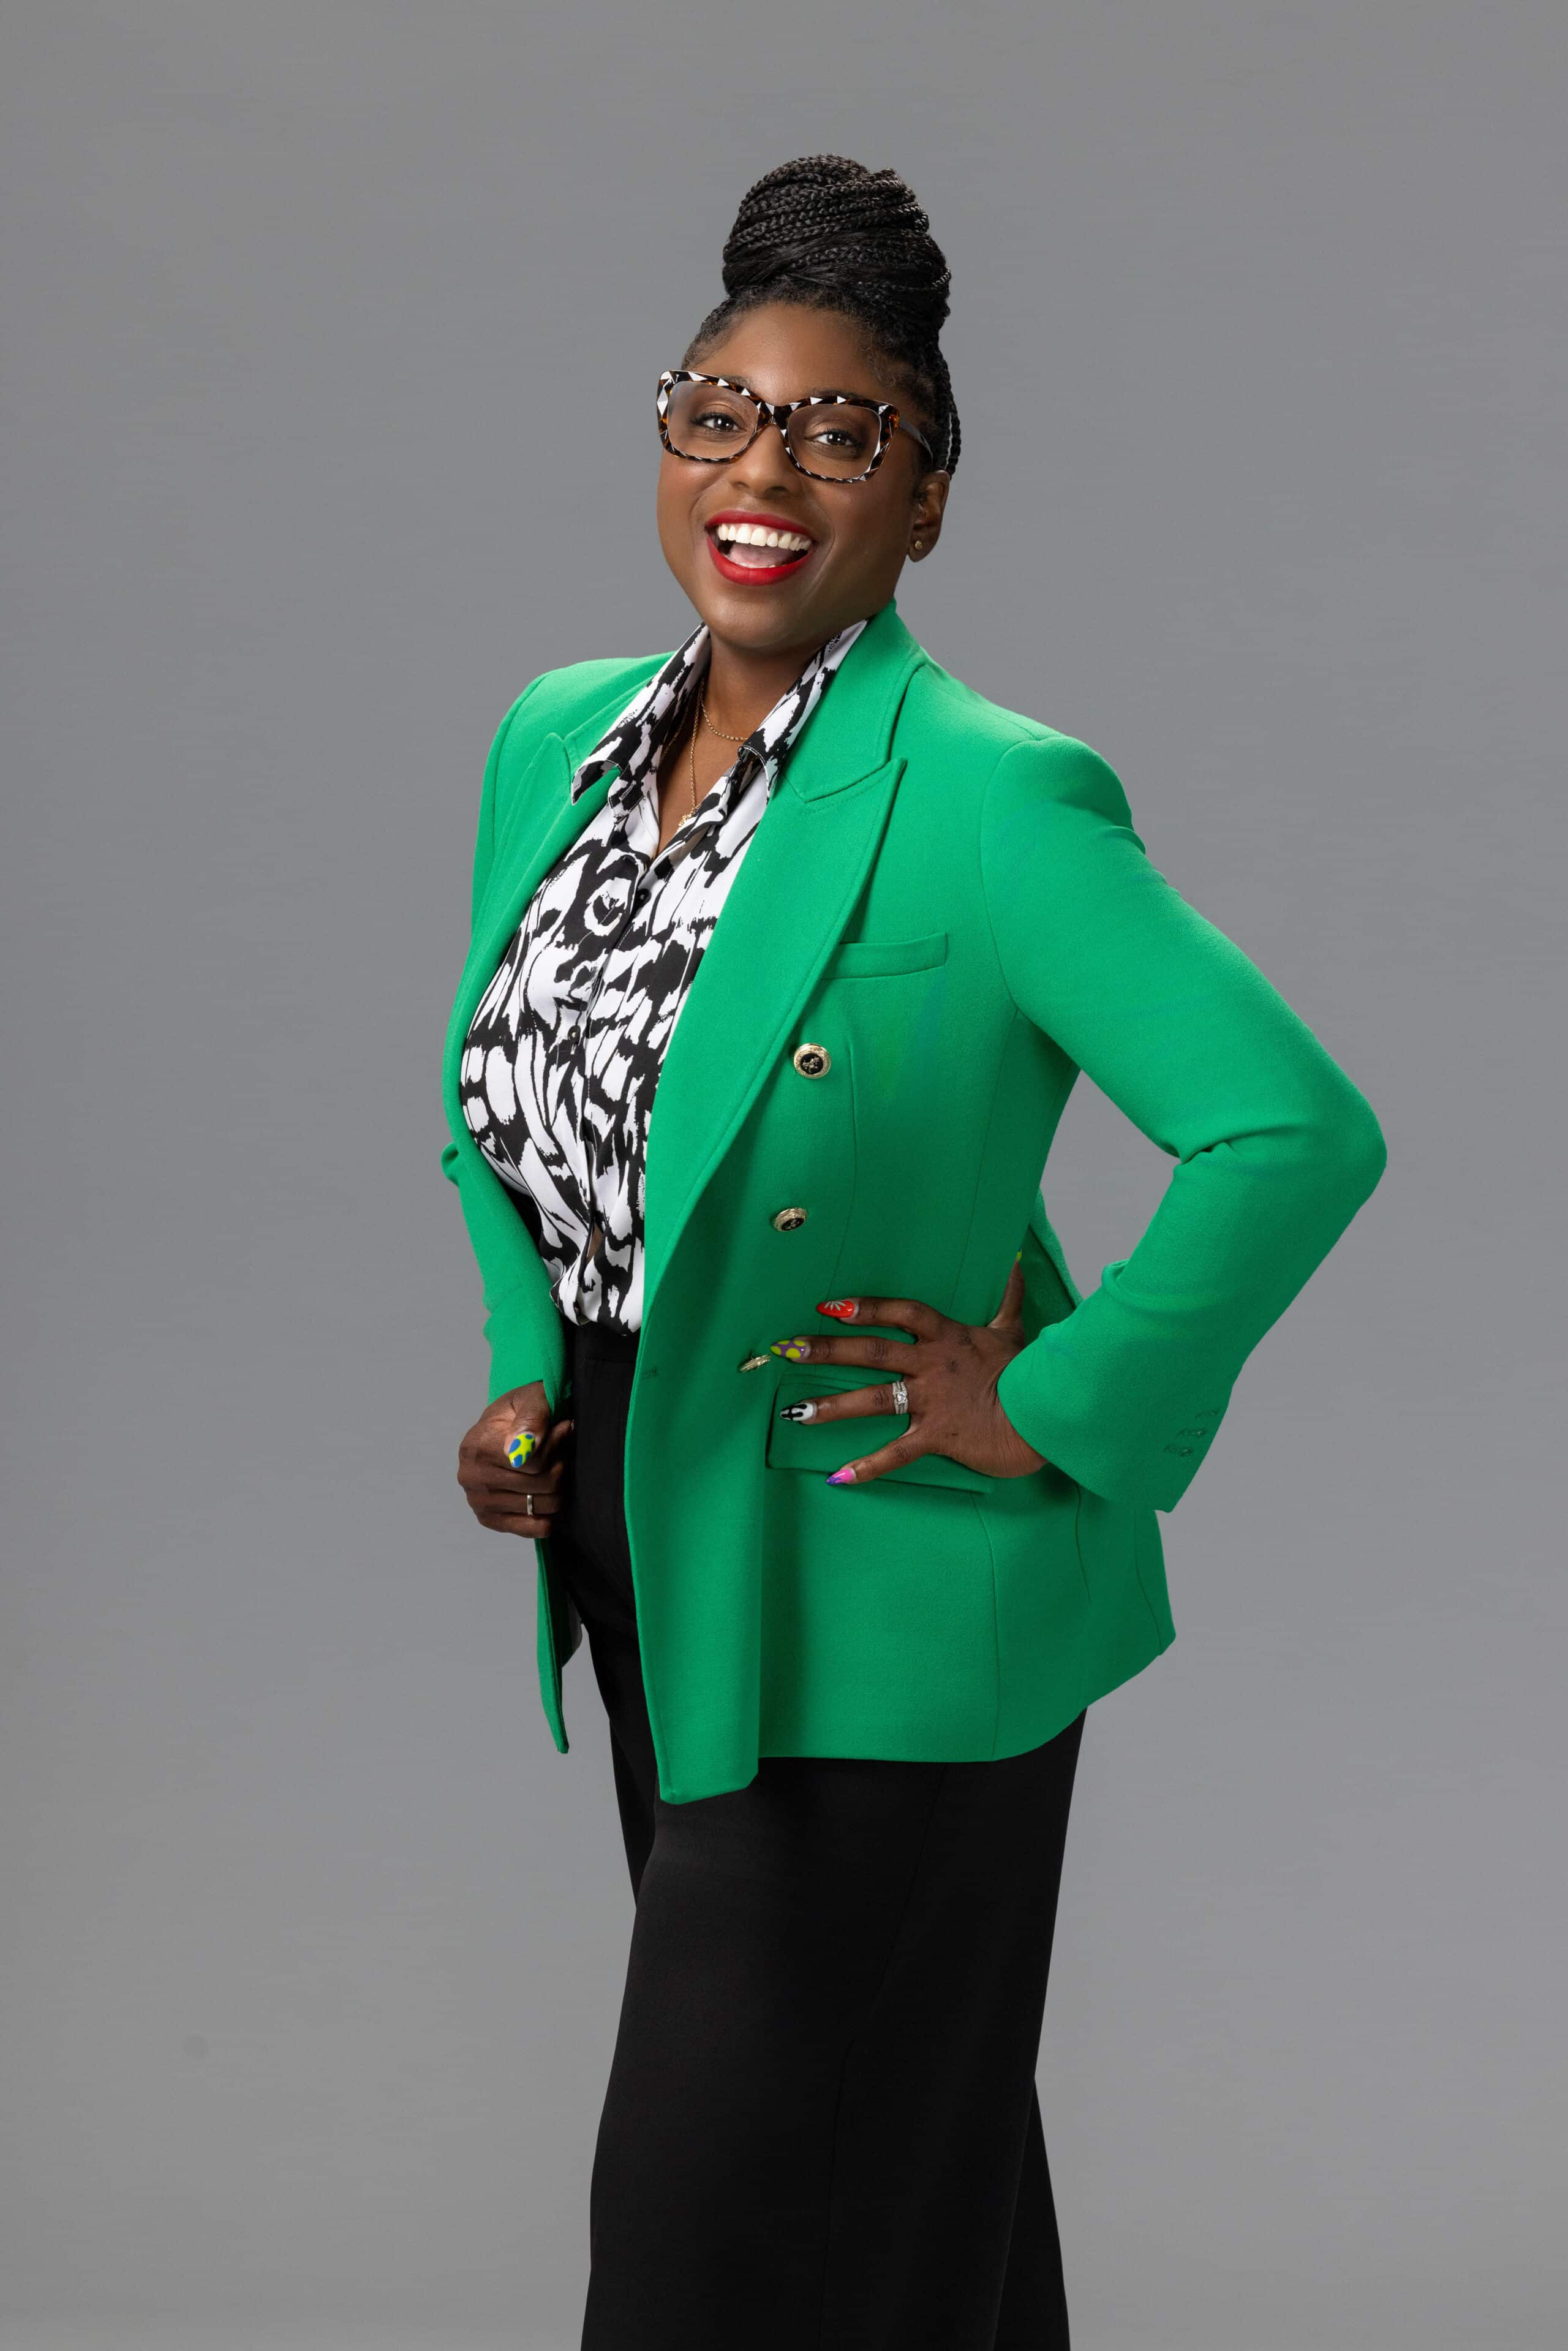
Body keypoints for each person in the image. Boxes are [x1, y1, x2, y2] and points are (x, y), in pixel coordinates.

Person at [438, 154, 1385, 2351]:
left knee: (719, 2242)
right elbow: (510, 1099)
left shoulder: (991, 793)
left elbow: (1293, 1132)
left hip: (878, 1576)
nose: (764, 468)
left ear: (931, 496)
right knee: (906, 2186)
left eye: (840, 428)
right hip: (648, 1557)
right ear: (669, 436)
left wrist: (1050, 1402)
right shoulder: (554, 745)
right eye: (720, 409)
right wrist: (529, 1375)